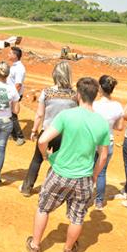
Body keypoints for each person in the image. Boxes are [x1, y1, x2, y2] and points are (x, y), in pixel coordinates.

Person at [26, 77, 110, 252]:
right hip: (83, 178)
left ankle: (35, 245)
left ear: (78, 95)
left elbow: (42, 140)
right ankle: (68, 249)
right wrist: (94, 176)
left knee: (43, 208)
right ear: (95, 96)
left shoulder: (66, 115)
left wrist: (45, 156)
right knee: (77, 218)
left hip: (59, 173)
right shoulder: (101, 123)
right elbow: (103, 157)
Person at [19, 61, 77, 196]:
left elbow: (39, 114)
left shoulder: (47, 92)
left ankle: (27, 188)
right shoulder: (74, 95)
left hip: (48, 132)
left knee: (37, 159)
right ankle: (56, 189)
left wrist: (34, 130)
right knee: (60, 162)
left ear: (55, 75)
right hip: (65, 134)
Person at [92, 75, 124, 210]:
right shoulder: (117, 106)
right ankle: (99, 201)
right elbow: (119, 127)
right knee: (102, 172)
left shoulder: (94, 104)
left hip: (92, 143)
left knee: (87, 170)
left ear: (100, 87)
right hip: (108, 142)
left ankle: (83, 196)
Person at [7, 46, 26, 146]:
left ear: (15, 56)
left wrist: (13, 97)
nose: (8, 55)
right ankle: (12, 134)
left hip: (14, 95)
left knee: (13, 116)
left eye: (10, 53)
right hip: (12, 94)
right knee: (9, 115)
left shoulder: (19, 68)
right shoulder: (14, 66)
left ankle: (20, 137)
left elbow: (18, 85)